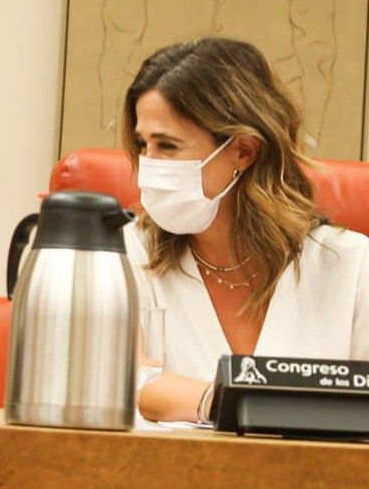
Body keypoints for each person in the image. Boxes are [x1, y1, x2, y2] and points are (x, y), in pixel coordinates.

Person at [122, 37, 369, 422]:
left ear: (244, 151)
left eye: (167, 146)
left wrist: (223, 400)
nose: (148, 165)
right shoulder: (124, 254)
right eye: (142, 144)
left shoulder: (351, 265)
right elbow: (119, 382)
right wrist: (234, 403)